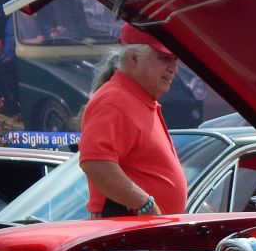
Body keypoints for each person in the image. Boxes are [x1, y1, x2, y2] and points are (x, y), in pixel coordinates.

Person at [79, 23, 187, 217]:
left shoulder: (134, 98)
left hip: (141, 235)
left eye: (175, 59)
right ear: (134, 58)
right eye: (164, 58)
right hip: (127, 236)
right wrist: (144, 203)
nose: (173, 68)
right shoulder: (116, 100)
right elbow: (95, 162)